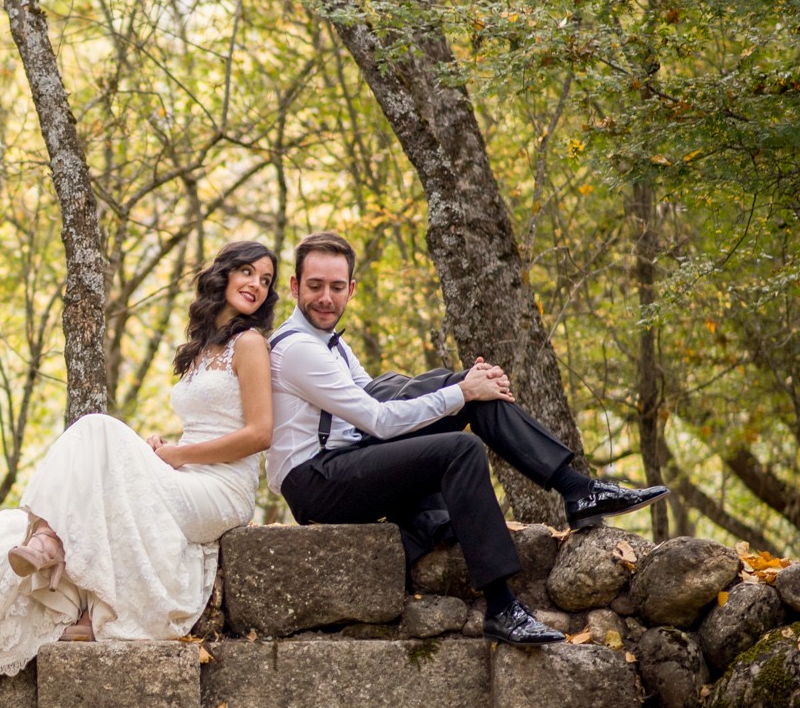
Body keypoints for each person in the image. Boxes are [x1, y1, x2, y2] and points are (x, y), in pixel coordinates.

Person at [268, 231, 668, 646]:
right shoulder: (299, 349)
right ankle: (501, 607)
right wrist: (459, 390)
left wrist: (464, 387)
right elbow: (380, 421)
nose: (326, 298)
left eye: (336, 287)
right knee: (460, 444)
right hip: (316, 483)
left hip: (347, 462)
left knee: (468, 398)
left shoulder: (332, 342)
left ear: (351, 289)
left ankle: (578, 489)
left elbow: (374, 396)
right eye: (315, 286)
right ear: (295, 286)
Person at [0, 240, 278, 676]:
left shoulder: (250, 344)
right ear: (225, 274)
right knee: (99, 449)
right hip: (186, 474)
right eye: (248, 272)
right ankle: (62, 566)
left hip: (220, 492)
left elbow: (258, 433)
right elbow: (209, 423)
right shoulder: (202, 349)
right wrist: (163, 448)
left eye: (266, 280)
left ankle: (49, 542)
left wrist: (178, 454)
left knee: (98, 428)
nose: (256, 285)